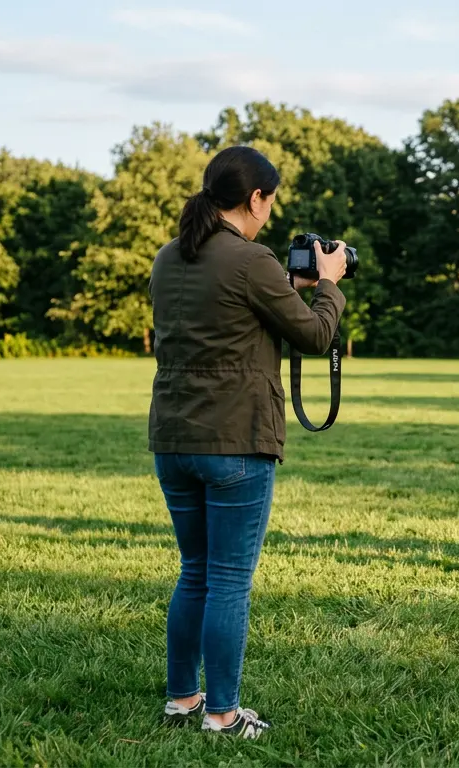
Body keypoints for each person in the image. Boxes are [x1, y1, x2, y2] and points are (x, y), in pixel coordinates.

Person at [148, 145, 348, 738]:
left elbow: (222, 318)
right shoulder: (249, 258)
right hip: (235, 441)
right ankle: (223, 714)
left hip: (173, 438)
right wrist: (328, 284)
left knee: (196, 573)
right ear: (255, 198)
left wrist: (286, 284)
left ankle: (183, 698)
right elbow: (313, 334)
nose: (270, 214)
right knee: (230, 581)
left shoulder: (168, 257)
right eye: (270, 202)